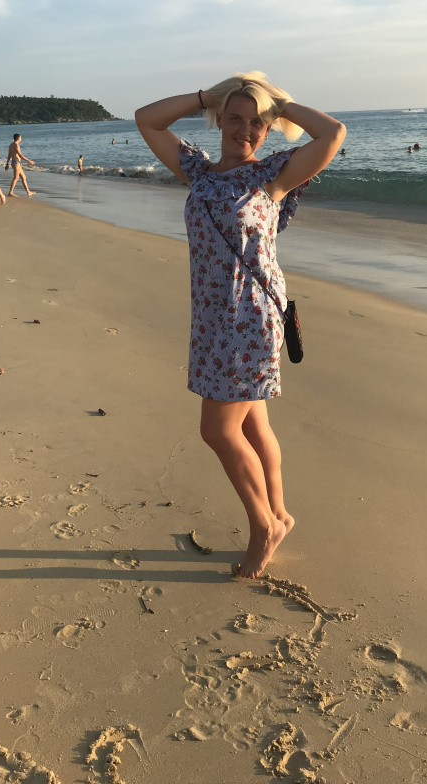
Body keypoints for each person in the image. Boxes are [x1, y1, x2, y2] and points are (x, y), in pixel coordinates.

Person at [135, 71, 346, 578]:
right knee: (253, 424)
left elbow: (333, 133)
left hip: (250, 318)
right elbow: (147, 120)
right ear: (219, 120)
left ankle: (263, 524)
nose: (244, 130)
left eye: (256, 124)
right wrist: (208, 96)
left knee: (217, 429)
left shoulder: (273, 176)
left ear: (268, 130)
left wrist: (276, 102)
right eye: (234, 118)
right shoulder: (198, 172)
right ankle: (280, 515)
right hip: (211, 317)